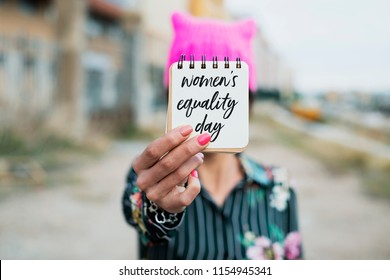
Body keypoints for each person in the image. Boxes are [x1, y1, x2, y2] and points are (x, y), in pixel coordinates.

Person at [122, 12, 303, 260]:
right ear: (172, 99)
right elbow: (139, 215)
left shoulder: (279, 186)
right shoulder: (149, 179)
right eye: (194, 88)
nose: (208, 103)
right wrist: (157, 207)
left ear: (247, 101)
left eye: (224, 89)